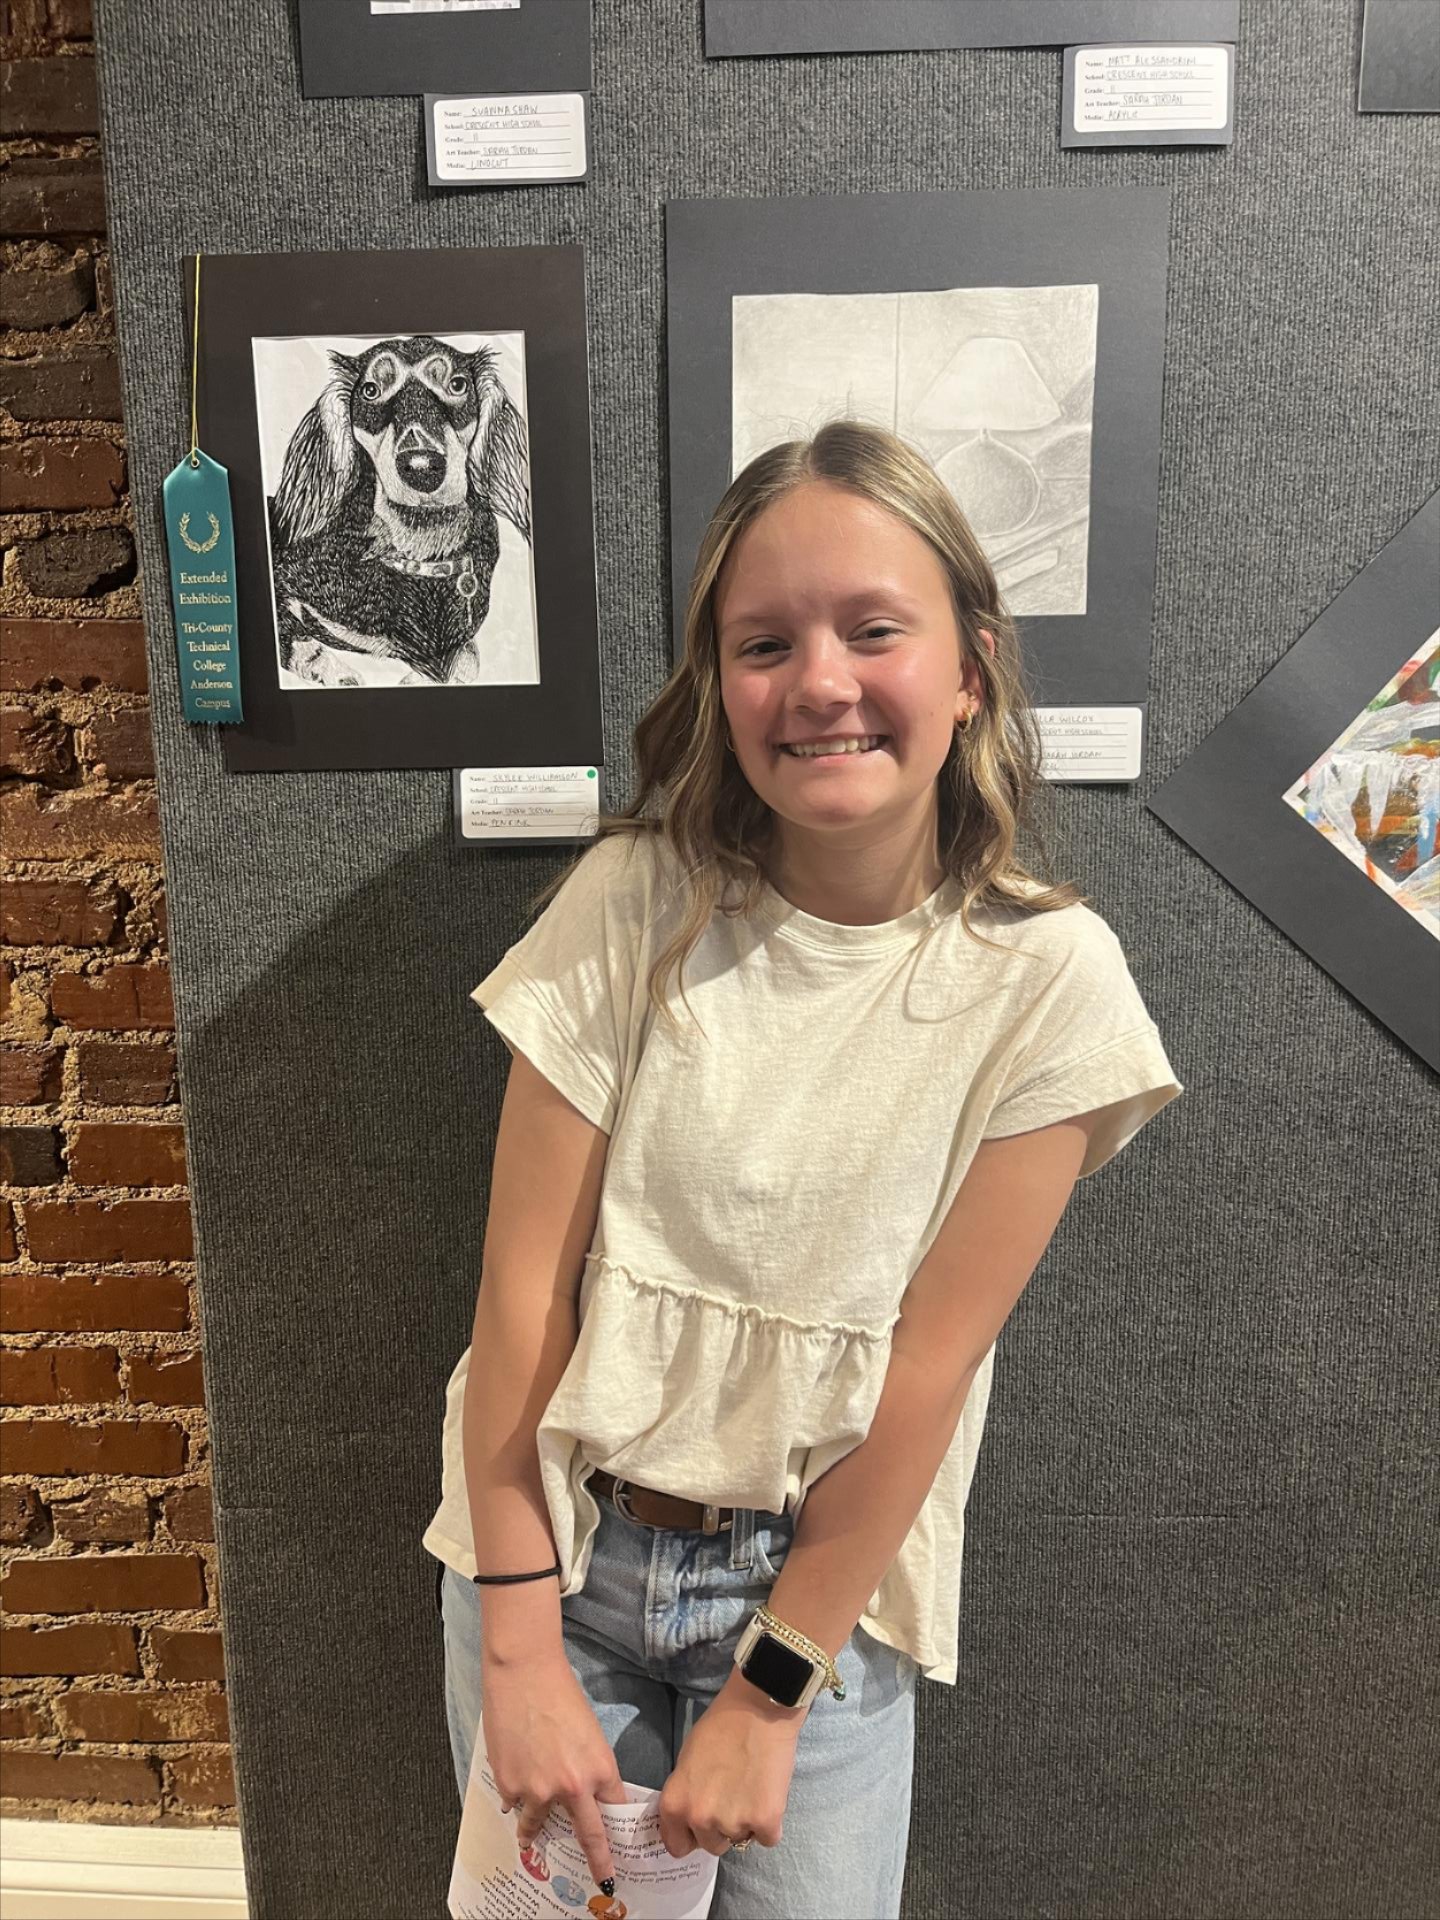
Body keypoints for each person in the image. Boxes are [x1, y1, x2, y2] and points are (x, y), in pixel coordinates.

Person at [424, 421, 1182, 1920]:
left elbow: (929, 1371)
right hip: (556, 1554)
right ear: (720, 684)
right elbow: (520, 1299)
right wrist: (516, 1645)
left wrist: (771, 1692)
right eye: (764, 643)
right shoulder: (634, 902)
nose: (820, 683)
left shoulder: (1052, 982)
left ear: (970, 669)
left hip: (817, 1601)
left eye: (874, 630)